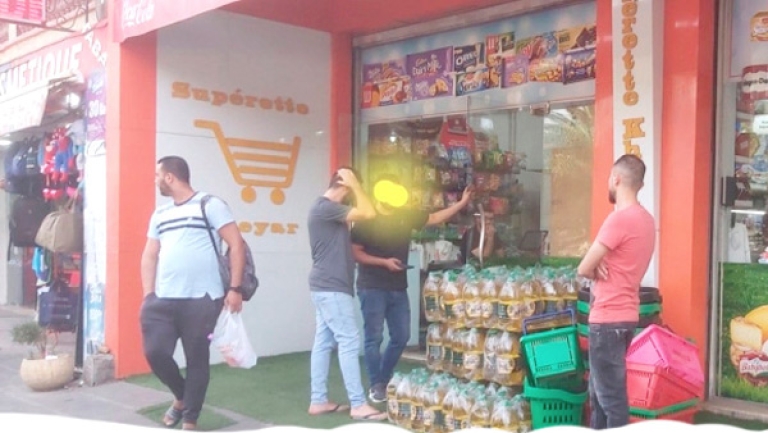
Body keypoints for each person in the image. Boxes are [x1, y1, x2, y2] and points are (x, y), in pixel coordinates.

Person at [140, 156, 246, 431]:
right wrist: (148, 295)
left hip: (203, 299)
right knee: (155, 352)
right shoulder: (160, 214)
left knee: (196, 359)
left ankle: (190, 419)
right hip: (163, 300)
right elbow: (150, 255)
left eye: (157, 175)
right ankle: (181, 396)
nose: (155, 180)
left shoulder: (210, 205)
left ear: (170, 177)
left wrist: (235, 289)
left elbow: (236, 245)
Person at [351, 174, 473, 403]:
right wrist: (384, 263)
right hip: (372, 285)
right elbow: (355, 253)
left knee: (401, 336)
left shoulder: (404, 214)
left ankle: (384, 378)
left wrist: (461, 203)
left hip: (397, 286)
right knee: (373, 338)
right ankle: (377, 384)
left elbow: (434, 218)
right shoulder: (366, 218)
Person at [576, 154, 655, 430]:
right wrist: (598, 266)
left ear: (616, 179)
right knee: (600, 397)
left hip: (607, 319)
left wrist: (594, 268)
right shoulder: (646, 221)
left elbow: (583, 267)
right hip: (627, 316)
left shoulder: (619, 220)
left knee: (610, 401)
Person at [307, 167, 386, 421]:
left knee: (323, 343)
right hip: (332, 287)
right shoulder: (326, 207)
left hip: (325, 286)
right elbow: (369, 212)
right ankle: (358, 404)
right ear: (344, 184)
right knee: (349, 341)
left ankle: (318, 400)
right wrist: (355, 184)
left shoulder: (327, 209)